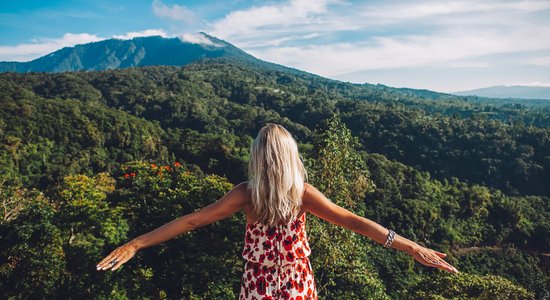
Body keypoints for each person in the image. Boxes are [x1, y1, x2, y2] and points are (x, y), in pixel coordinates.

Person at [96, 123, 458, 299]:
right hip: (298, 282)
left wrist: (137, 243)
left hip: (257, 285)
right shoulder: (301, 194)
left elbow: (193, 220)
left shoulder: (246, 195)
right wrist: (411, 248)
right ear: (290, 157)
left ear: (257, 157)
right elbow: (356, 223)